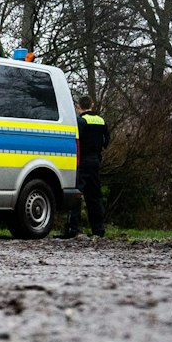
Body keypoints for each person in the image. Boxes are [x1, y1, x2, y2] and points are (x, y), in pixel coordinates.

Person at [64, 95, 108, 238]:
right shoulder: (101, 121)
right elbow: (106, 141)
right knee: (95, 196)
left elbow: (76, 141)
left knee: (76, 195)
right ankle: (99, 229)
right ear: (92, 105)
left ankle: (72, 229)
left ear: (78, 107)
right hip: (95, 161)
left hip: (82, 162)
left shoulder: (80, 121)